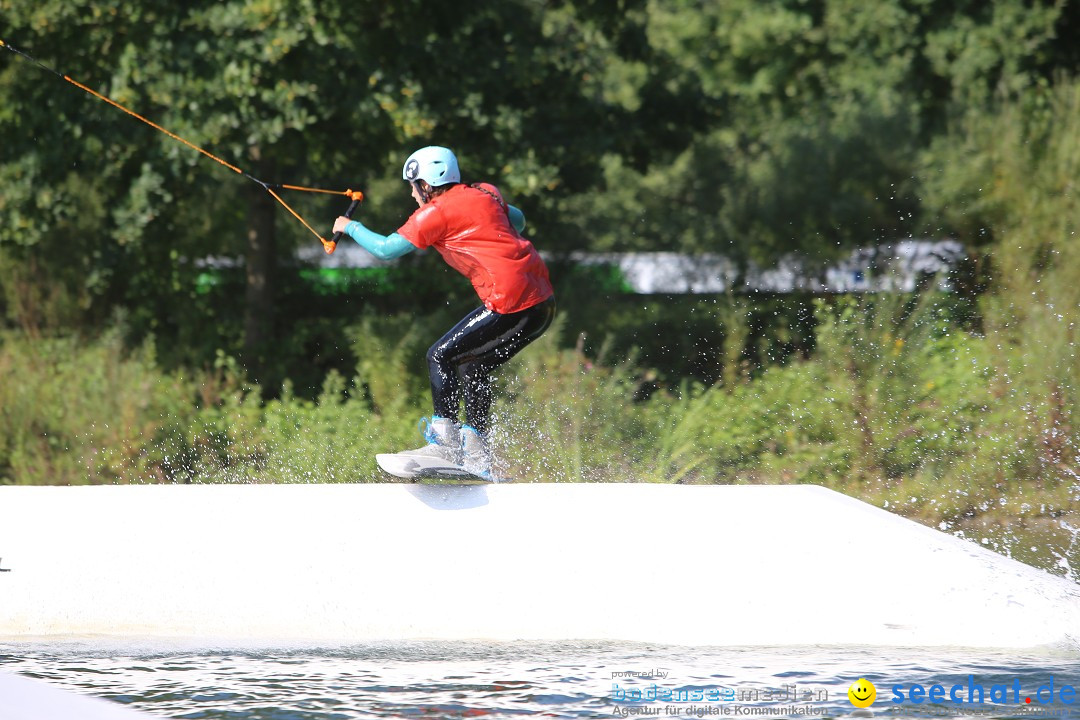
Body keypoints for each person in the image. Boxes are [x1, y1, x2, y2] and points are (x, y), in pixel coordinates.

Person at [332, 146, 556, 480]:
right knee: (474, 367)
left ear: (427, 182)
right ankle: (479, 456)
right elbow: (518, 220)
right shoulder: (486, 192)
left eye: (413, 184)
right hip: (542, 305)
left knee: (440, 356)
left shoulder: (434, 213)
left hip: (510, 302)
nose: (411, 192)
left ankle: (445, 445)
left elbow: (386, 249)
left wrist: (349, 226)